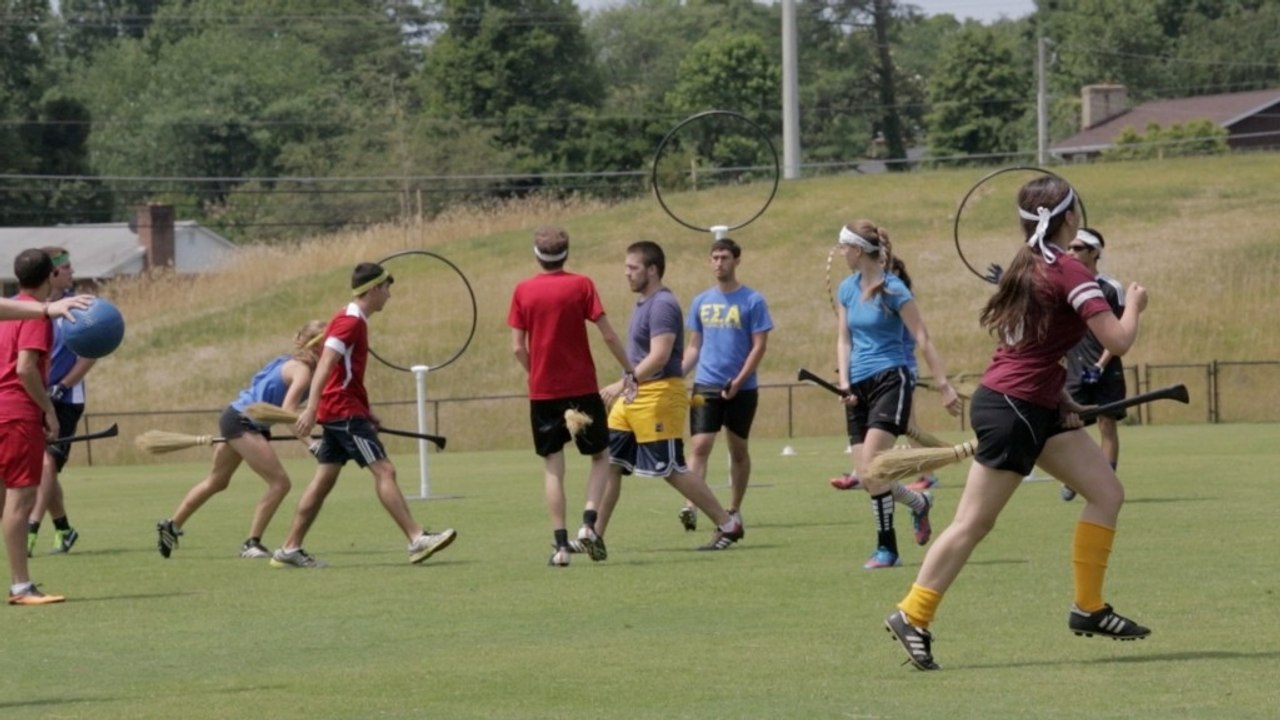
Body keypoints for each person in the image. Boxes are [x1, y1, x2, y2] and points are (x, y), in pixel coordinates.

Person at [885, 175, 1150, 671]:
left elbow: (1031, 347)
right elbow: (1117, 341)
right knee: (973, 522)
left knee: (1107, 492)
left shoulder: (1028, 263)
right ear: (1069, 219)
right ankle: (912, 614)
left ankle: (1088, 608)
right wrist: (1133, 306)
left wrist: (1062, 396)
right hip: (1016, 407)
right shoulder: (1068, 270)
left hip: (1033, 403)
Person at [270, 262, 457, 568]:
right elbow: (327, 364)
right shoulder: (350, 322)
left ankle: (289, 549)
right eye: (387, 289)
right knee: (385, 471)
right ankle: (416, 538)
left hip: (344, 410)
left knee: (322, 482)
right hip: (342, 411)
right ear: (373, 289)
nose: (389, 296)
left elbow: (342, 372)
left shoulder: (350, 318)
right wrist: (313, 407)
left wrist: (367, 413)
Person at [583, 241, 745, 556]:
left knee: (670, 468)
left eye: (633, 267)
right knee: (612, 463)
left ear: (652, 269)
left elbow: (659, 357)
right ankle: (595, 535)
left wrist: (622, 383)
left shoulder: (662, 305)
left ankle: (727, 524)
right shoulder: (644, 303)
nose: (626, 273)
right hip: (635, 396)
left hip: (658, 394)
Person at [834, 222, 961, 570]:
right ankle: (918, 502)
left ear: (858, 250)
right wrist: (844, 382)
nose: (840, 252)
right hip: (857, 384)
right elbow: (844, 339)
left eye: (844, 246)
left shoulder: (894, 290)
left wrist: (944, 386)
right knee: (866, 476)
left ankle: (886, 549)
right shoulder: (846, 289)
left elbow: (923, 338)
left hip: (892, 378)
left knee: (875, 469)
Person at [507, 226, 636, 567]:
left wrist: (535, 372)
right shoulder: (582, 285)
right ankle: (589, 524)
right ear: (566, 253)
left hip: (543, 392)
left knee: (553, 467)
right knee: (599, 456)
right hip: (581, 388)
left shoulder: (523, 291)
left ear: (537, 254)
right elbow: (608, 335)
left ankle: (561, 547)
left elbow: (518, 347)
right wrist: (629, 369)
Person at [155, 320, 326, 559]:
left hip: (235, 417)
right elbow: (288, 412)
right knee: (280, 483)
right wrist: (312, 444)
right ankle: (251, 544)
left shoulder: (292, 363)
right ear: (317, 347)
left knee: (217, 481)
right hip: (244, 423)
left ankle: (171, 525)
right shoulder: (303, 372)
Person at [677, 237, 772, 533]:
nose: (719, 263)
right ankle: (691, 506)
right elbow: (695, 345)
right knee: (700, 444)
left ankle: (734, 508)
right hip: (706, 383)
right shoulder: (701, 301)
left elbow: (759, 346)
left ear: (737, 261)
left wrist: (739, 380)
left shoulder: (752, 300)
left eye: (725, 258)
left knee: (738, 448)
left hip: (741, 388)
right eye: (715, 258)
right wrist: (676, 373)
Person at [829, 256, 937, 494]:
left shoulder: (897, 297)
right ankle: (866, 474)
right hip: (870, 374)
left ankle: (926, 473)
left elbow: (917, 338)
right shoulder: (857, 292)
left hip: (897, 371)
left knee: (909, 426)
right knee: (903, 428)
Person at [1, 249, 67, 605]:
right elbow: (26, 368)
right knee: (20, 498)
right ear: (51, 276)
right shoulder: (36, 317)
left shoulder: (7, 309)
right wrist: (49, 412)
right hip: (16, 413)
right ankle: (21, 586)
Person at [26, 248, 94, 557]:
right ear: (50, 273)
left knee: (47, 465)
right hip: (32, 395)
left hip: (66, 400)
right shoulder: (27, 308)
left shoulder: (80, 307)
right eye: (66, 268)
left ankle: (31, 528)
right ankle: (65, 529)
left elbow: (91, 353)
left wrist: (62, 386)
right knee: (43, 470)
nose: (71, 272)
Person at [1060, 227, 1126, 501]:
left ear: (1094, 252)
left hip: (1105, 368)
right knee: (1070, 426)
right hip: (1075, 369)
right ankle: (1077, 477)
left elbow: (1119, 330)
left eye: (1077, 248)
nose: (1071, 252)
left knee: (1106, 423)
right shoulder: (1068, 284)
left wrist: (1099, 365)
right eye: (1070, 247)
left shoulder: (1111, 288)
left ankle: (1104, 482)